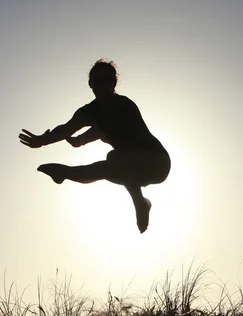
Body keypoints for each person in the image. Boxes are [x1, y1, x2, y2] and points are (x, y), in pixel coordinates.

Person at [19, 58, 171, 233]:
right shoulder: (89, 112)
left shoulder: (124, 105)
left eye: (107, 80)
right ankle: (64, 173)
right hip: (133, 167)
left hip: (157, 162)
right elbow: (67, 129)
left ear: (114, 83)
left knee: (114, 157)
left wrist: (78, 139)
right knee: (104, 169)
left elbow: (103, 128)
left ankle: (139, 203)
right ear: (90, 84)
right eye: (97, 80)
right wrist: (47, 140)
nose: (102, 85)